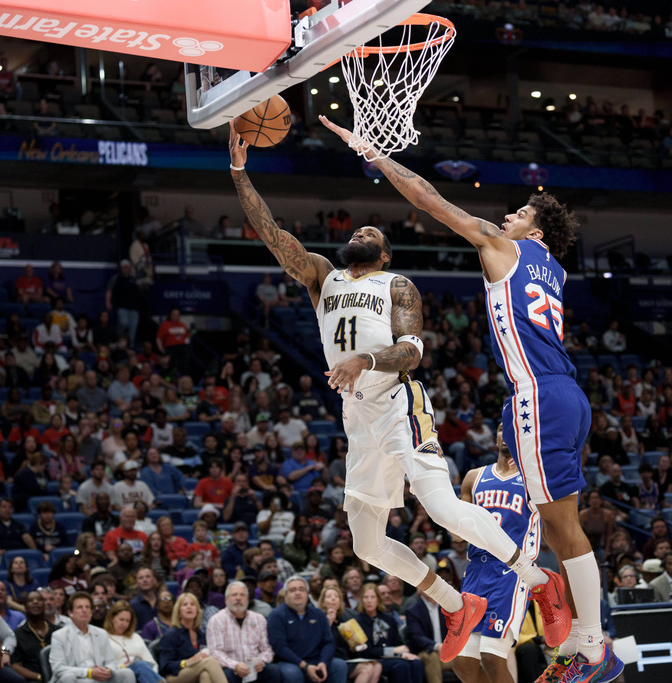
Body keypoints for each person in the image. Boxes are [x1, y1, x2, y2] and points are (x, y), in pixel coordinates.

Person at [230, 127, 567, 664]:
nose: (363, 229)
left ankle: (538, 578)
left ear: (384, 254)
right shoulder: (322, 275)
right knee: (365, 544)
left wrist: (365, 359)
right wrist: (240, 173)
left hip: (398, 402)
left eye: (373, 230)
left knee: (439, 507)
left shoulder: (396, 285)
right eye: (358, 226)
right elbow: (272, 234)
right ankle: (455, 604)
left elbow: (412, 351)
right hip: (357, 416)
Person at [318, 115, 616, 678]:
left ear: (535, 233)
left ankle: (590, 640)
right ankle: (580, 631)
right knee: (557, 524)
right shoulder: (552, 269)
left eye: (521, 214)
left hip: (538, 395)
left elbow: (431, 200)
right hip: (568, 394)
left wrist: (377, 156)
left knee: (562, 526)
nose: (508, 215)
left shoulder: (508, 248)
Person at [452, 425, 538, 683]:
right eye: (502, 428)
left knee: (491, 656)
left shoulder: (533, 479)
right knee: (462, 663)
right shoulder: (473, 477)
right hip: (476, 570)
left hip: (510, 571)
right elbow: (458, 536)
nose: (506, 433)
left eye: (512, 428)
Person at [266, 576, 346, 683]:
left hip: (316, 660)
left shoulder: (319, 614)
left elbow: (328, 642)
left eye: (301, 589)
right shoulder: (276, 615)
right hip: (290, 662)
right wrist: (305, 666)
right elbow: (280, 647)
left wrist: (323, 663)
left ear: (307, 594)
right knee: (292, 673)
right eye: (293, 590)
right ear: (286, 595)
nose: (298, 593)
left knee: (339, 665)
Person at [51, 592, 136, 683]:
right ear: (70, 613)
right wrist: (89, 672)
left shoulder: (101, 633)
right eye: (80, 607)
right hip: (77, 678)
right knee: (68, 677)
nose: (84, 610)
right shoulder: (59, 636)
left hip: (99, 679)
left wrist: (108, 670)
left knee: (127, 673)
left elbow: (112, 662)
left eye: (87, 607)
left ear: (91, 612)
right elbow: (58, 668)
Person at [205, 581, 278, 683]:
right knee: (226, 675)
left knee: (273, 670)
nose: (238, 598)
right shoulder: (216, 620)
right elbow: (215, 652)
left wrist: (262, 661)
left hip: (255, 669)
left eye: (242, 595)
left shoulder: (259, 619)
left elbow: (267, 649)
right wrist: (235, 665)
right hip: (230, 669)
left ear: (247, 600)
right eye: (234, 595)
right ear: (226, 600)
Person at [156, 593, 227, 683]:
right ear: (178, 612)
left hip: (196, 671)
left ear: (197, 611)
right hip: (175, 676)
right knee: (209, 662)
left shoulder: (201, 634)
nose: (189, 607)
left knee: (205, 674)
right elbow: (164, 666)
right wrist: (185, 663)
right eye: (185, 605)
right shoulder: (171, 634)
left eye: (192, 604)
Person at [102, 601, 163, 683]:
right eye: (121, 620)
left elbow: (152, 663)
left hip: (142, 675)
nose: (124, 624)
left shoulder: (136, 637)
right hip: (118, 675)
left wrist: (150, 674)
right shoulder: (103, 636)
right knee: (137, 667)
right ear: (112, 618)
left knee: (142, 666)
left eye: (127, 621)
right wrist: (124, 666)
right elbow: (103, 666)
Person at [10, 590, 60, 682]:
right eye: (31, 600)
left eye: (39, 599)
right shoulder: (17, 635)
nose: (35, 602)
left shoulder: (58, 631)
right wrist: (40, 677)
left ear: (44, 605)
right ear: (25, 607)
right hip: (34, 679)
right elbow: (15, 666)